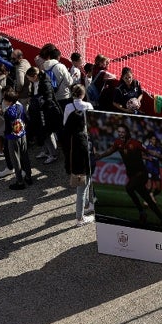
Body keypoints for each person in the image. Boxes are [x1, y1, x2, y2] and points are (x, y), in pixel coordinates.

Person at [95, 124, 162, 225]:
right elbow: (110, 151)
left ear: (127, 132)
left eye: (122, 132)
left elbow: (151, 152)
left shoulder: (136, 143)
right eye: (119, 132)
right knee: (146, 198)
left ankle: (142, 212)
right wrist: (101, 156)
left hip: (142, 173)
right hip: (131, 174)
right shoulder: (118, 143)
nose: (120, 134)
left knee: (129, 188)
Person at [63, 85, 95, 226]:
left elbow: (65, 123)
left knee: (84, 188)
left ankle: (89, 205)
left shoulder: (70, 137)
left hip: (76, 164)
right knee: (82, 190)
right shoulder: (82, 139)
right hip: (82, 166)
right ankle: (80, 218)